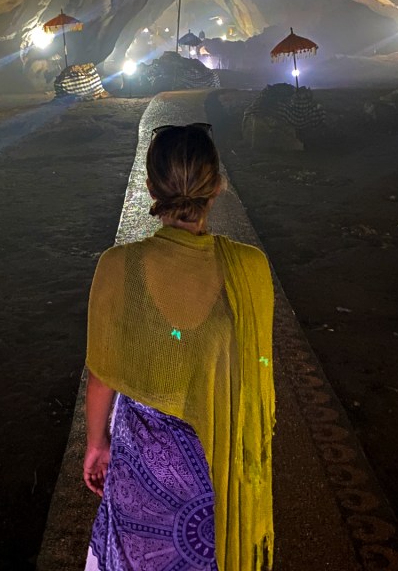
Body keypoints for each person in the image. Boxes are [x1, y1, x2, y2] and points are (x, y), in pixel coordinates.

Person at [83, 122, 275, 571]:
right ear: (218, 186)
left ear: (150, 186)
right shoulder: (251, 270)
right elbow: (255, 367)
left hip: (142, 475)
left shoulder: (117, 267)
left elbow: (101, 377)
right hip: (217, 473)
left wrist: (97, 443)